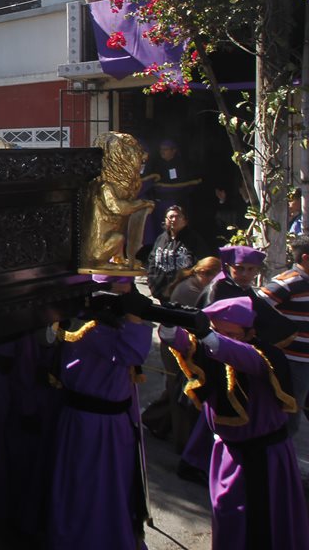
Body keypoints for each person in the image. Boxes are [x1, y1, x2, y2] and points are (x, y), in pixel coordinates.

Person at [163, 297, 309, 549]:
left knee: (259, 526)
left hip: (263, 459)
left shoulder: (264, 356)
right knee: (227, 517)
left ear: (250, 333)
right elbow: (185, 343)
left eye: (231, 333)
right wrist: (168, 324)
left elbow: (239, 355)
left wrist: (209, 335)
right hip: (228, 453)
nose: (221, 338)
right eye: (218, 331)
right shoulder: (212, 349)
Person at [48, 275, 153, 550]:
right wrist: (135, 319)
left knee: (113, 488)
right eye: (121, 287)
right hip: (93, 426)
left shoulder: (107, 322)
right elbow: (132, 354)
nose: (127, 292)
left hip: (113, 423)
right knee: (89, 487)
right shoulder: (92, 326)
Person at [260, 234, 309, 435]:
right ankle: (279, 461)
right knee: (289, 417)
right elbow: (255, 307)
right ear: (305, 258)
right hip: (292, 362)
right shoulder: (288, 282)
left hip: (305, 362)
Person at [146, 205, 206, 301]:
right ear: (166, 220)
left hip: (183, 293)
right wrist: (152, 283)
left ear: (185, 220)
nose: (173, 220)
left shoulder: (194, 240)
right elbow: (152, 261)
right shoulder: (161, 239)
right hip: (160, 292)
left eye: (178, 217)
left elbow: (200, 264)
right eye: (170, 217)